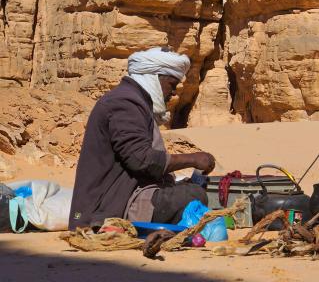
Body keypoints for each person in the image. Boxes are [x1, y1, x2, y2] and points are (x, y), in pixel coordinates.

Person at [69, 47, 216, 230]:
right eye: (171, 84)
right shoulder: (124, 103)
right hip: (110, 207)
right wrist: (193, 159)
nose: (173, 93)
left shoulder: (133, 101)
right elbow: (141, 160)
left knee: (192, 190)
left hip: (127, 195)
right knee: (193, 195)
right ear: (155, 78)